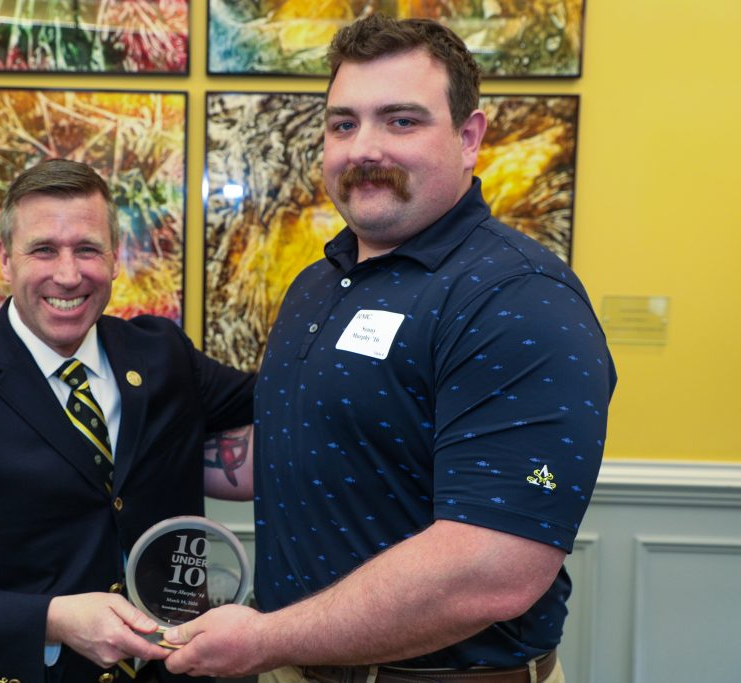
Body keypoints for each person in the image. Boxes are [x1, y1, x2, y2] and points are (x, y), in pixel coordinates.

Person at [163, 14, 616, 683]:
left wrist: (265, 639)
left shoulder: (516, 298)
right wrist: (121, 450)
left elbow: (492, 572)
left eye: (401, 120)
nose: (363, 147)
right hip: (296, 663)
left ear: (469, 137)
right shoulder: (317, 285)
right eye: (343, 123)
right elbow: (295, 450)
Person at [0, 159, 255, 683]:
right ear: (5, 259)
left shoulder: (163, 357)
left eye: (87, 249)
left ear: (115, 259)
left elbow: (282, 404)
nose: (68, 274)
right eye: (43, 249)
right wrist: (53, 621)